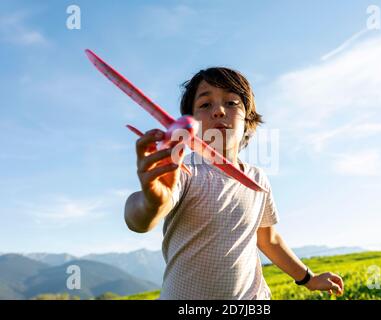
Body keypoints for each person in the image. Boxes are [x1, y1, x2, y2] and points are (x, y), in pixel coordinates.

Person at [124, 67, 344, 299]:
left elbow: (268, 239)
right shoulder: (184, 171)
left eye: (231, 103)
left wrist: (308, 278)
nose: (219, 110)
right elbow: (138, 220)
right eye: (205, 104)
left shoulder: (257, 179)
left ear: (248, 119)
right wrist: (151, 202)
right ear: (191, 122)